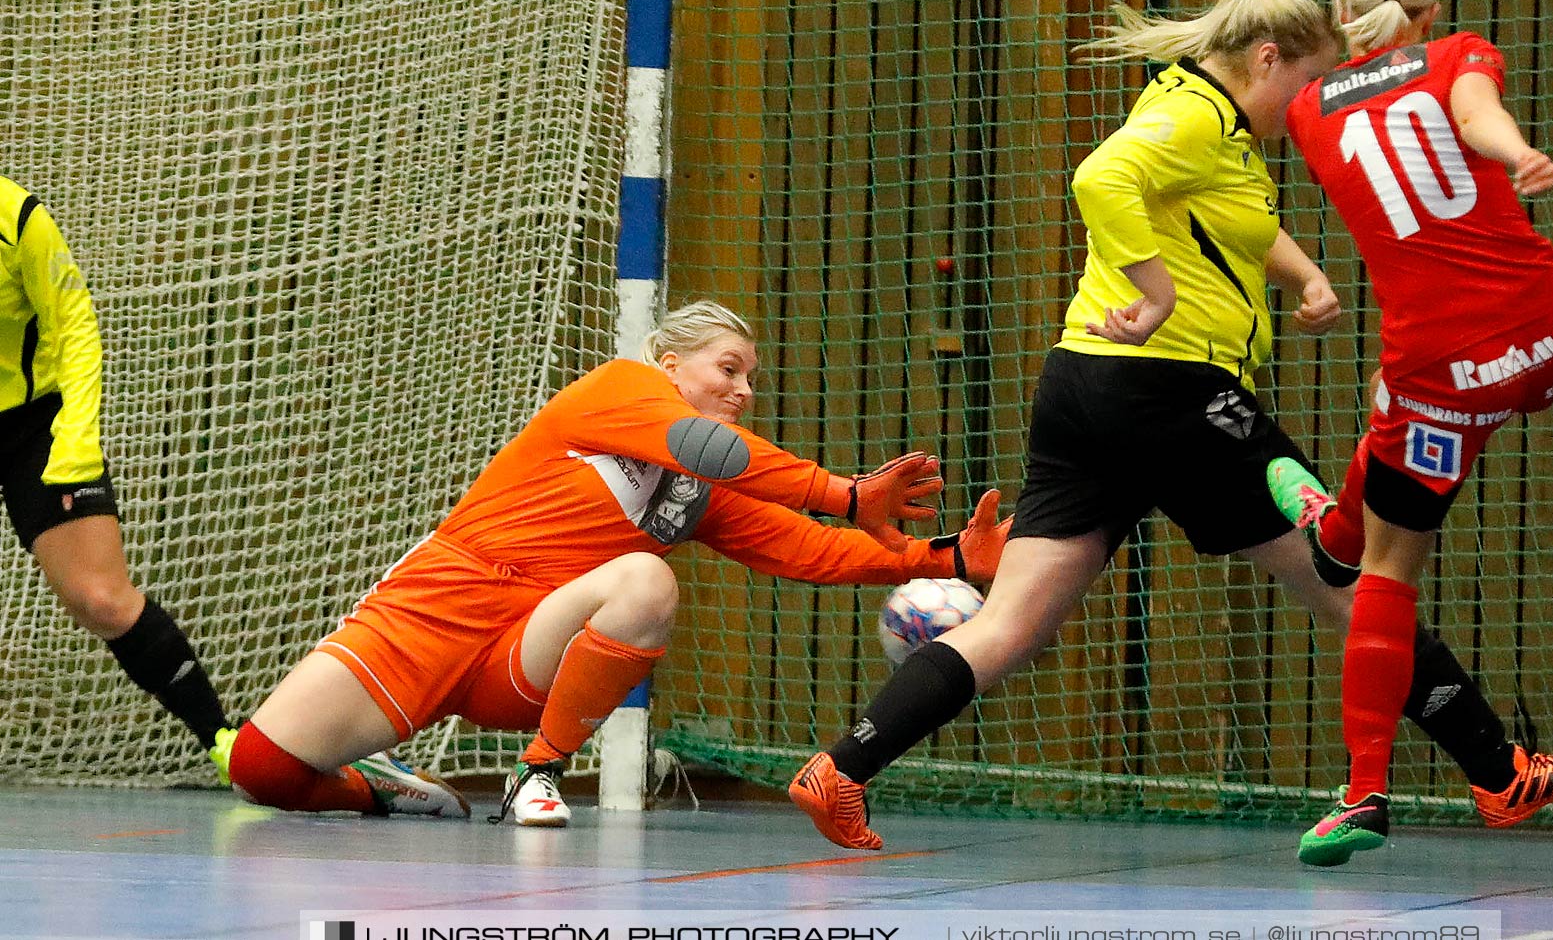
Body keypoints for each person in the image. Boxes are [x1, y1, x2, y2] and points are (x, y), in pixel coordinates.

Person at [787, 0, 1553, 852]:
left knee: (1008, 624)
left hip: (1085, 386)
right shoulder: (1193, 114)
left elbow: (1221, 215)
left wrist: (1305, 274)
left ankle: (843, 769)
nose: (1308, 104)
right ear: (1267, 57)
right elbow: (1099, 176)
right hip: (1172, 391)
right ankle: (1500, 772)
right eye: (1304, 83)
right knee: (1356, 574)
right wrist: (1154, 293)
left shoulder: (1205, 115)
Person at [227, 300, 1008, 827]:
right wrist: (843, 491)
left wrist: (944, 558)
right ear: (668, 364)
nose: (740, 390)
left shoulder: (701, 487)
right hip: (437, 609)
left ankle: (536, 774)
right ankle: (388, 791)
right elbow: (716, 449)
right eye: (726, 369)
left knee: (645, 580)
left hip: (527, 650)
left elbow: (804, 549)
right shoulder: (620, 389)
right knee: (262, 771)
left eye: (750, 380)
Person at [1275, 0, 1553, 866]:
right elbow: (1473, 114)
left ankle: (1362, 793)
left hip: (1440, 370)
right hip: (1545, 343)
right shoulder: (1459, 51)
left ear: (1343, 25)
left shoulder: (1308, 111)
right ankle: (1335, 526)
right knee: (1396, 424)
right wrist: (1521, 152)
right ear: (1428, 12)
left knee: (1387, 564)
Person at [0, 174, 236, 782]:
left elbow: (73, 326)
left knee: (101, 599)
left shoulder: (17, 215)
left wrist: (75, 434)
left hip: (35, 425)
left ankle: (223, 744)